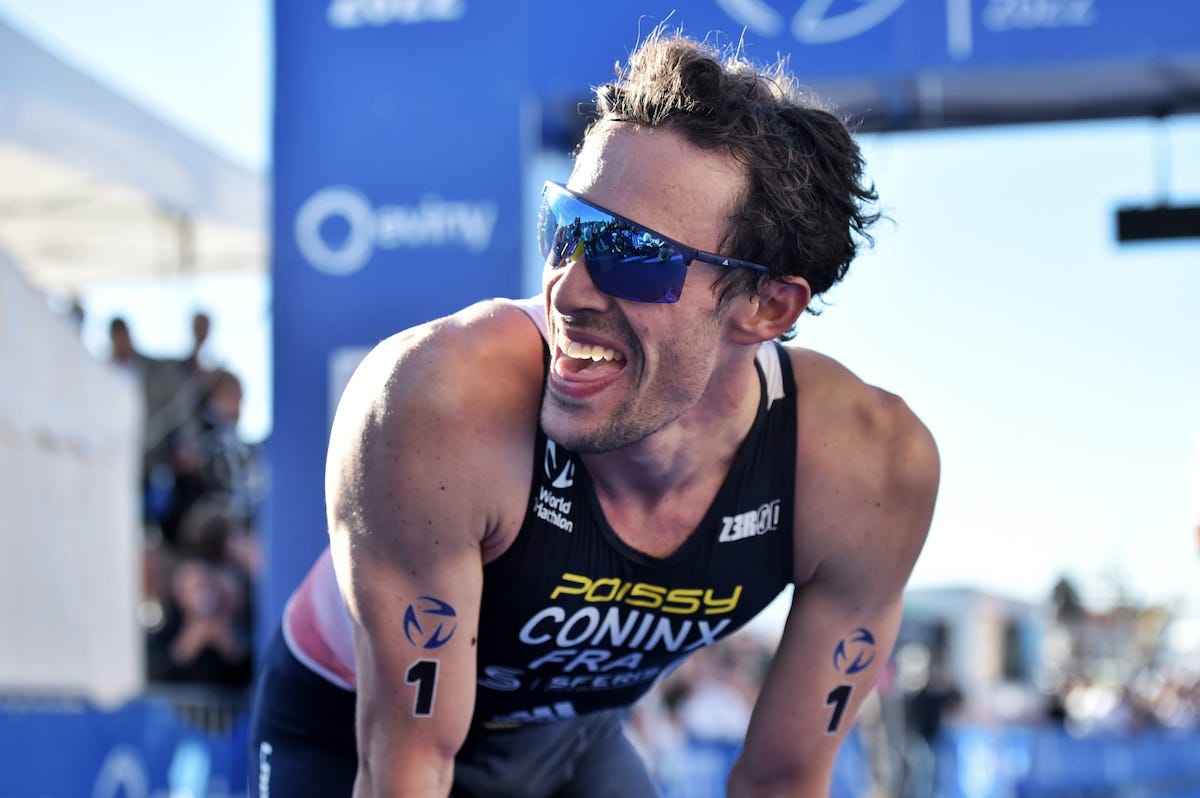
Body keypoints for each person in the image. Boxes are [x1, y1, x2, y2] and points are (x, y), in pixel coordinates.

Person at [248, 28, 939, 798]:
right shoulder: (440, 400)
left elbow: (783, 780)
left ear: (766, 307)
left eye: (633, 255)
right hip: (354, 726)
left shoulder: (867, 470)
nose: (568, 292)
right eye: (568, 229)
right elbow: (407, 768)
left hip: (567, 742)